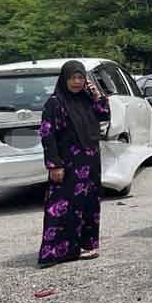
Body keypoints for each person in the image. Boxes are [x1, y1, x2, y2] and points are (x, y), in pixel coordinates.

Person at [38, 61, 110, 268]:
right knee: (61, 206)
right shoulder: (55, 103)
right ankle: (57, 251)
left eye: (80, 77)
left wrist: (96, 94)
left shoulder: (87, 99)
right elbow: (47, 134)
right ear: (64, 79)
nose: (77, 82)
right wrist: (54, 165)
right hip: (68, 163)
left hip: (90, 160)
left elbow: (104, 114)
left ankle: (87, 245)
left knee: (89, 203)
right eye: (72, 78)